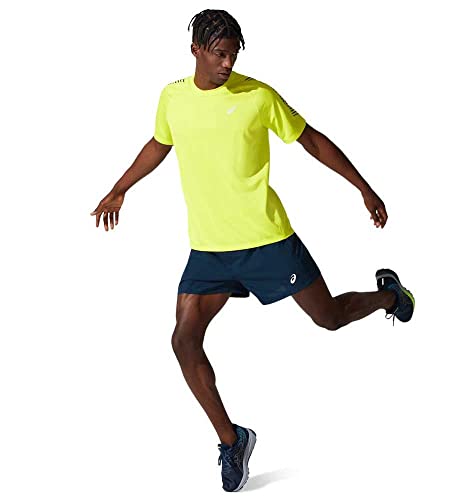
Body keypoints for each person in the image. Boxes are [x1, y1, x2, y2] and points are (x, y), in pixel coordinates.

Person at [90, 8, 415, 493]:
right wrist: (120, 188)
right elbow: (159, 144)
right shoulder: (172, 98)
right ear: (196, 50)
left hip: (267, 240)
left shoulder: (257, 96)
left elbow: (311, 141)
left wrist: (364, 188)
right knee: (183, 341)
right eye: (219, 54)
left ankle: (390, 296)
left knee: (328, 317)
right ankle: (233, 440)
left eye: (233, 55)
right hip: (210, 248)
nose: (227, 64)